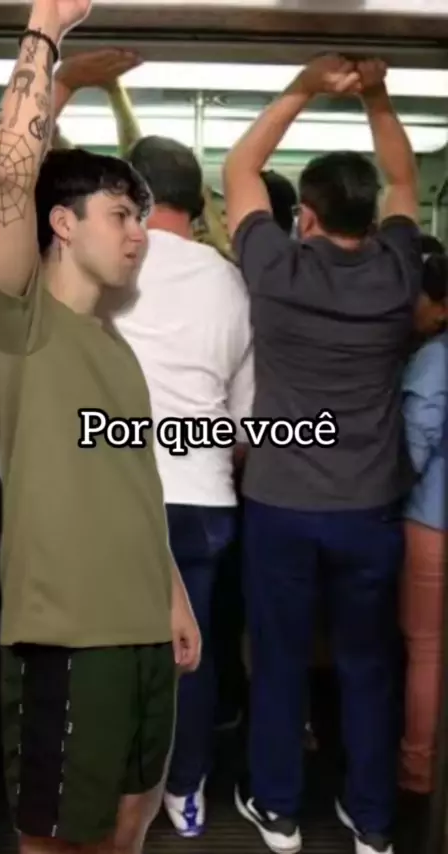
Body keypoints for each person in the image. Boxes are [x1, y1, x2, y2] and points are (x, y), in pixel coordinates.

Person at [0, 3, 201, 854]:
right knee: (58, 842)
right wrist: (46, 29)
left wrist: (171, 592)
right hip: (67, 640)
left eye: (143, 217)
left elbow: (130, 484)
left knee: (130, 824)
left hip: (142, 633)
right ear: (63, 224)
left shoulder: (116, 348)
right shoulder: (14, 323)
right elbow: (9, 178)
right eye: (120, 214)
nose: (140, 234)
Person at [223, 53, 422, 854]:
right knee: (368, 663)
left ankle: (277, 810)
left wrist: (303, 88)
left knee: (278, 658)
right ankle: (372, 823)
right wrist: (377, 96)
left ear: (303, 216)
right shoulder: (399, 273)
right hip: (369, 509)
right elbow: (405, 179)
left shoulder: (274, 271)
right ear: (372, 217)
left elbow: (241, 168)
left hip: (280, 503)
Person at [111, 134, 254, 837]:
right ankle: (185, 789)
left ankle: (111, 794)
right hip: (203, 497)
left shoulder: (107, 267)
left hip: (114, 493)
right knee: (189, 652)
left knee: (108, 651)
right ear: (196, 201)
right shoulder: (231, 281)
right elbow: (246, 418)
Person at [400, 240, 447, 795]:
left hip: (432, 522)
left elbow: (414, 447)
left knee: (427, 651)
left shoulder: (435, 358)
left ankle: (418, 769)